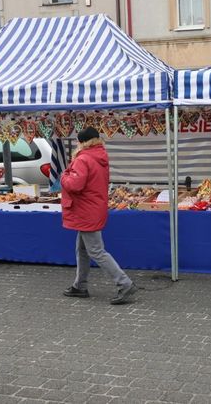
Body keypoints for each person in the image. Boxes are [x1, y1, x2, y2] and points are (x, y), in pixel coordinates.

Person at [61, 127, 138, 305]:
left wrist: (64, 176)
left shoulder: (83, 159)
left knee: (96, 251)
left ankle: (124, 283)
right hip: (93, 208)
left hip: (85, 210)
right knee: (81, 249)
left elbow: (75, 185)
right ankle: (80, 285)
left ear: (81, 142)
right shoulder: (100, 155)